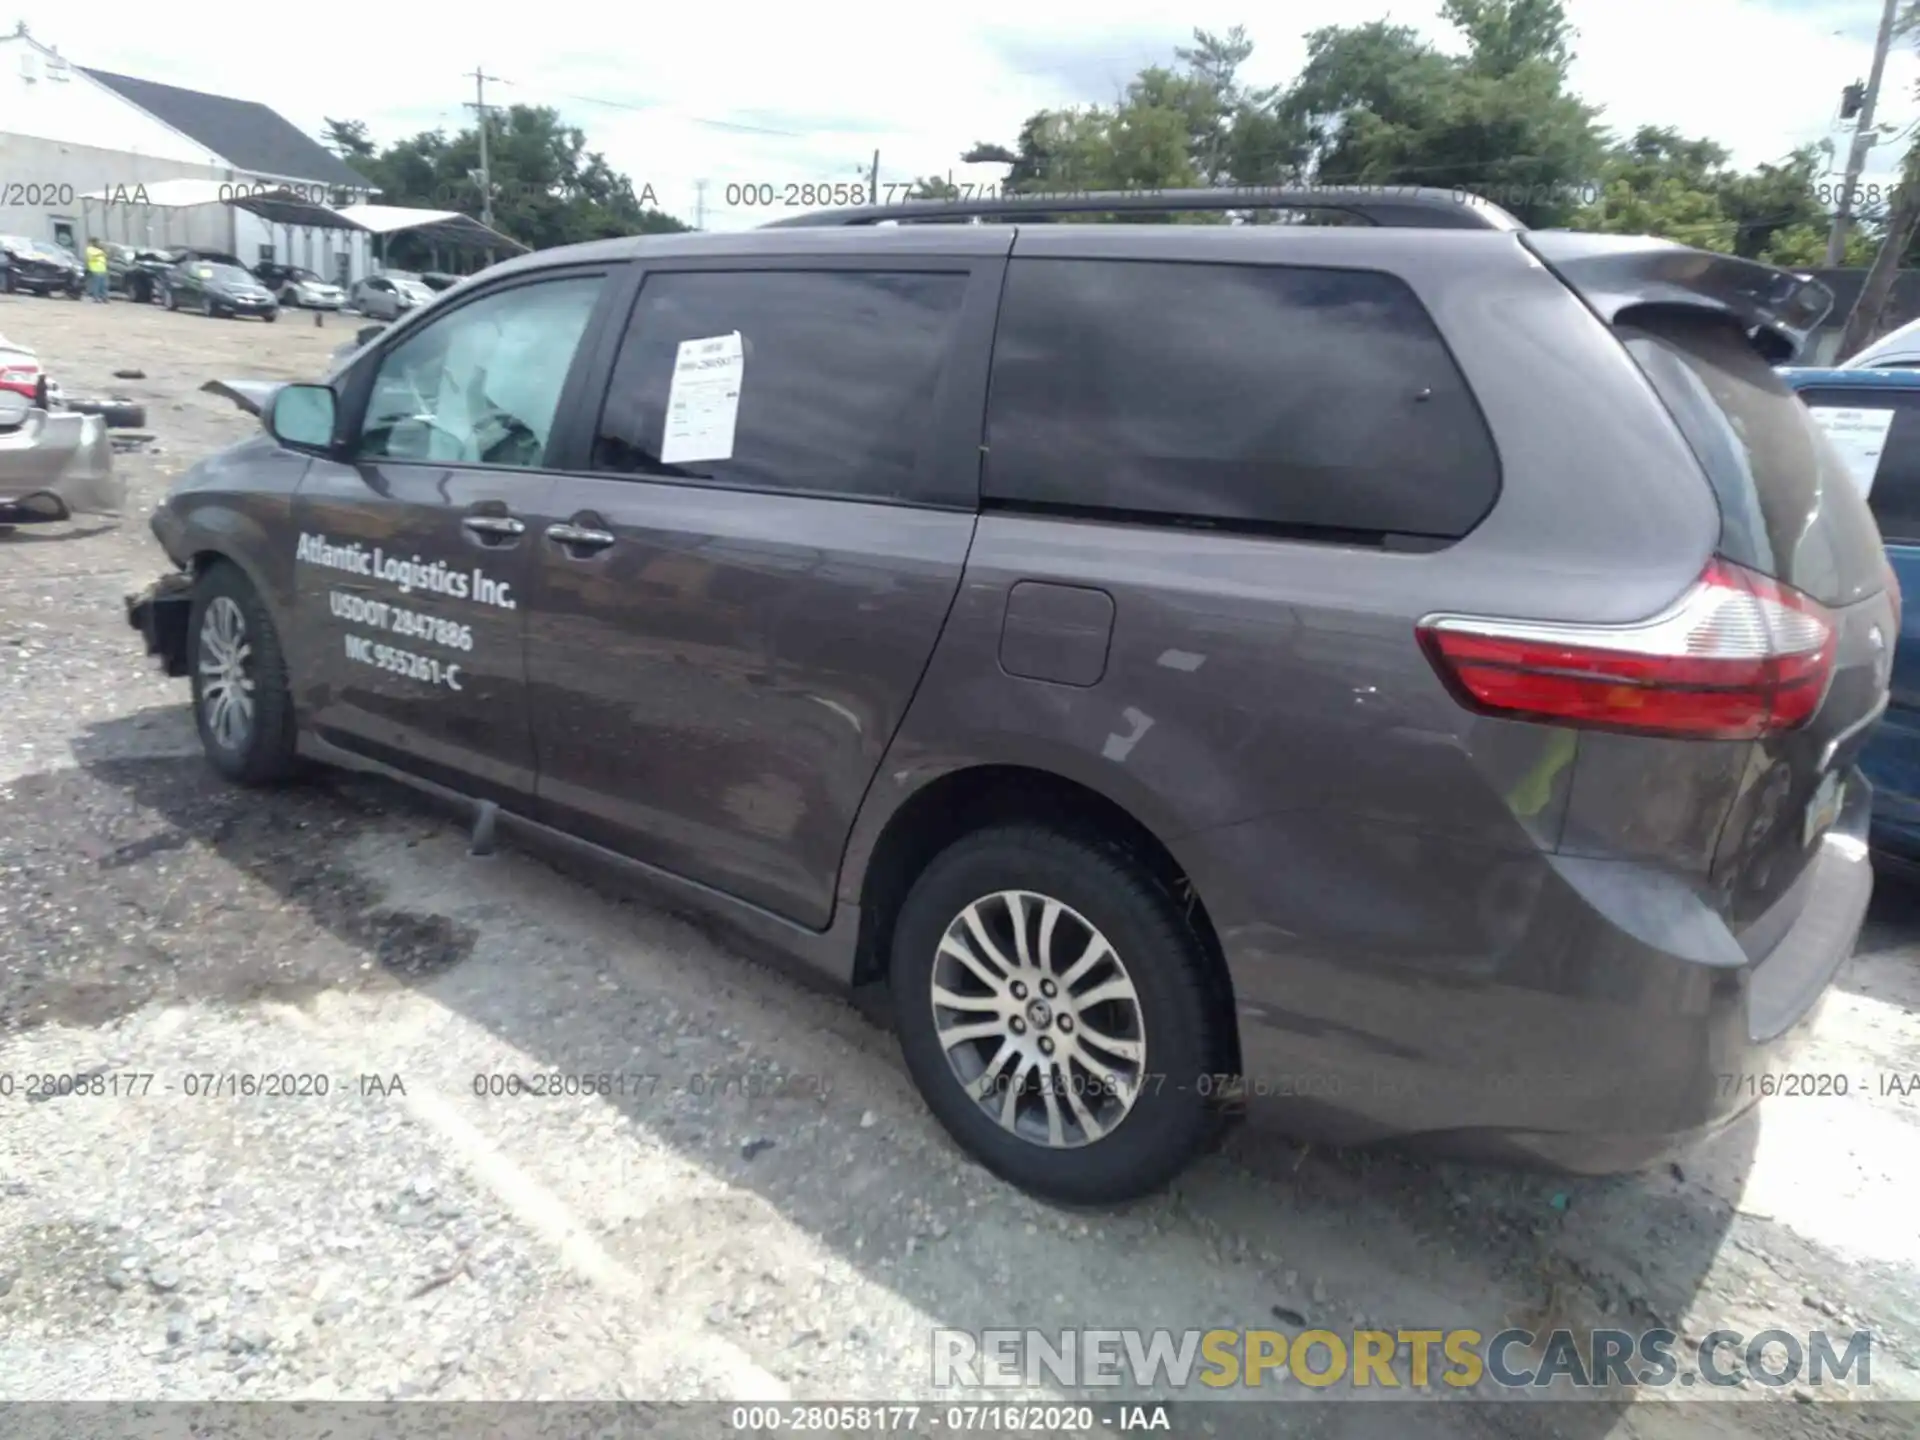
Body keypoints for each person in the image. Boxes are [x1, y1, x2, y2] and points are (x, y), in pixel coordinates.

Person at [84, 238, 109, 302]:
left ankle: (104, 297)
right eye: (96, 242)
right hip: (95, 268)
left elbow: (106, 255)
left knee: (103, 284)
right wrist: (100, 253)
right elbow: (91, 257)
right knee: (96, 284)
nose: (98, 243)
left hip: (102, 268)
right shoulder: (89, 249)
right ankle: (96, 297)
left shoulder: (100, 249)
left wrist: (103, 251)